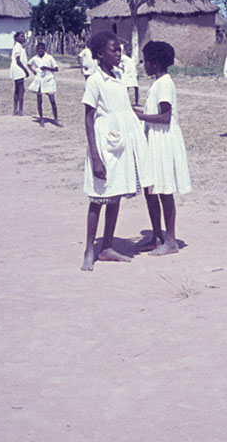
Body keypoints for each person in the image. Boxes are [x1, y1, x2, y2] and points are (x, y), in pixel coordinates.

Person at [80, 31, 154, 271]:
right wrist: (95, 156)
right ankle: (90, 249)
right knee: (99, 197)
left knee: (116, 194)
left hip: (121, 143)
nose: (119, 54)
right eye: (114, 50)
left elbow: (123, 107)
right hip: (104, 144)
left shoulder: (120, 75)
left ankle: (108, 246)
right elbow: (89, 119)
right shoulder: (94, 81)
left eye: (119, 50)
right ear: (100, 54)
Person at [133, 41, 191, 256]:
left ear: (154, 62)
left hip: (163, 139)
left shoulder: (165, 83)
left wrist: (140, 116)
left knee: (165, 190)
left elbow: (165, 117)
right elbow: (154, 111)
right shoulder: (157, 84)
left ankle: (171, 241)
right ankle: (156, 237)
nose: (143, 65)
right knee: (150, 190)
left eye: (145, 61)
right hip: (153, 139)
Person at [27, 42, 62, 127]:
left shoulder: (49, 58)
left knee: (52, 100)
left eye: (42, 49)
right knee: (39, 100)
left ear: (45, 49)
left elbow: (56, 69)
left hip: (49, 80)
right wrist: (33, 71)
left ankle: (56, 119)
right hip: (40, 80)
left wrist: (46, 68)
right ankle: (41, 118)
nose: (40, 50)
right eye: (38, 49)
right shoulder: (35, 58)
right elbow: (29, 64)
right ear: (36, 50)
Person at [10, 31, 30, 116]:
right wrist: (25, 70)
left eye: (24, 36)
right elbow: (18, 60)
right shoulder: (17, 47)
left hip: (18, 70)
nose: (24, 38)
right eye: (22, 36)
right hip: (18, 70)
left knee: (17, 90)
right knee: (21, 90)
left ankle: (15, 110)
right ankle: (20, 110)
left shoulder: (19, 47)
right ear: (16, 38)